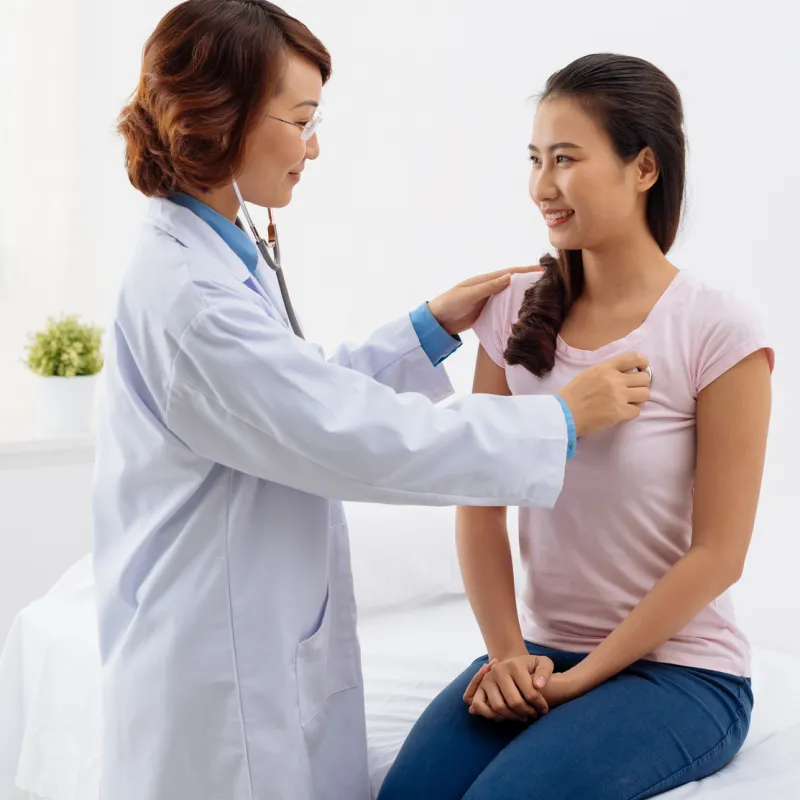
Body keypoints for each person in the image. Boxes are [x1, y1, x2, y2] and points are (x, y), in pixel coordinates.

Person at [90, 4, 651, 800]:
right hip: (217, 674)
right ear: (224, 119)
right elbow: (349, 436)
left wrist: (425, 330)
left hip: (252, 635)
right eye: (301, 119)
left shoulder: (211, 256)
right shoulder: (190, 297)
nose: (313, 145)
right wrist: (559, 420)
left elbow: (295, 393)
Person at [377, 53, 774, 800]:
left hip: (682, 671)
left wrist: (580, 679)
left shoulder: (716, 330)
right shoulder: (511, 307)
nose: (541, 187)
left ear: (644, 167)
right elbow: (480, 503)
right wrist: (505, 657)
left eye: (566, 159)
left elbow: (719, 554)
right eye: (534, 160)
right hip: (533, 652)